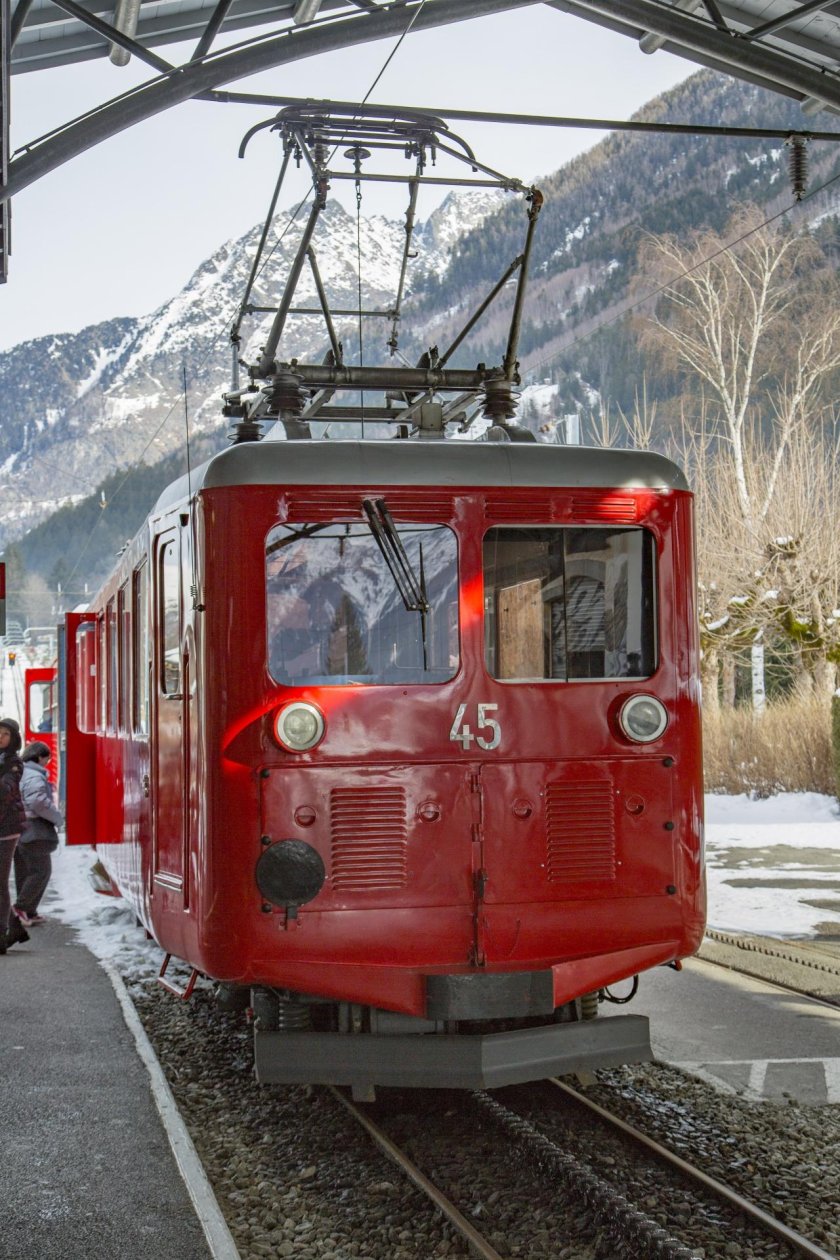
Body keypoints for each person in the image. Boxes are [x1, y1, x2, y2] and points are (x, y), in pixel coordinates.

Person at [13, 741, 63, 927]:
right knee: (41, 870)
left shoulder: (19, 771)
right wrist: (57, 817)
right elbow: (37, 802)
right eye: (47, 759)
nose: (47, 763)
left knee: (24, 870)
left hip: (17, 826)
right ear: (40, 757)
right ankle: (21, 907)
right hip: (33, 826)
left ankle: (28, 911)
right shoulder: (34, 775)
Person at [0, 717, 29, 954]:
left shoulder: (14, 763)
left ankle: (2, 934)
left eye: (5, 734)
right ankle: (14, 927)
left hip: (7, 830)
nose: (0, 738)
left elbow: (6, 789)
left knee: (0, 882)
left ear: (13, 739)